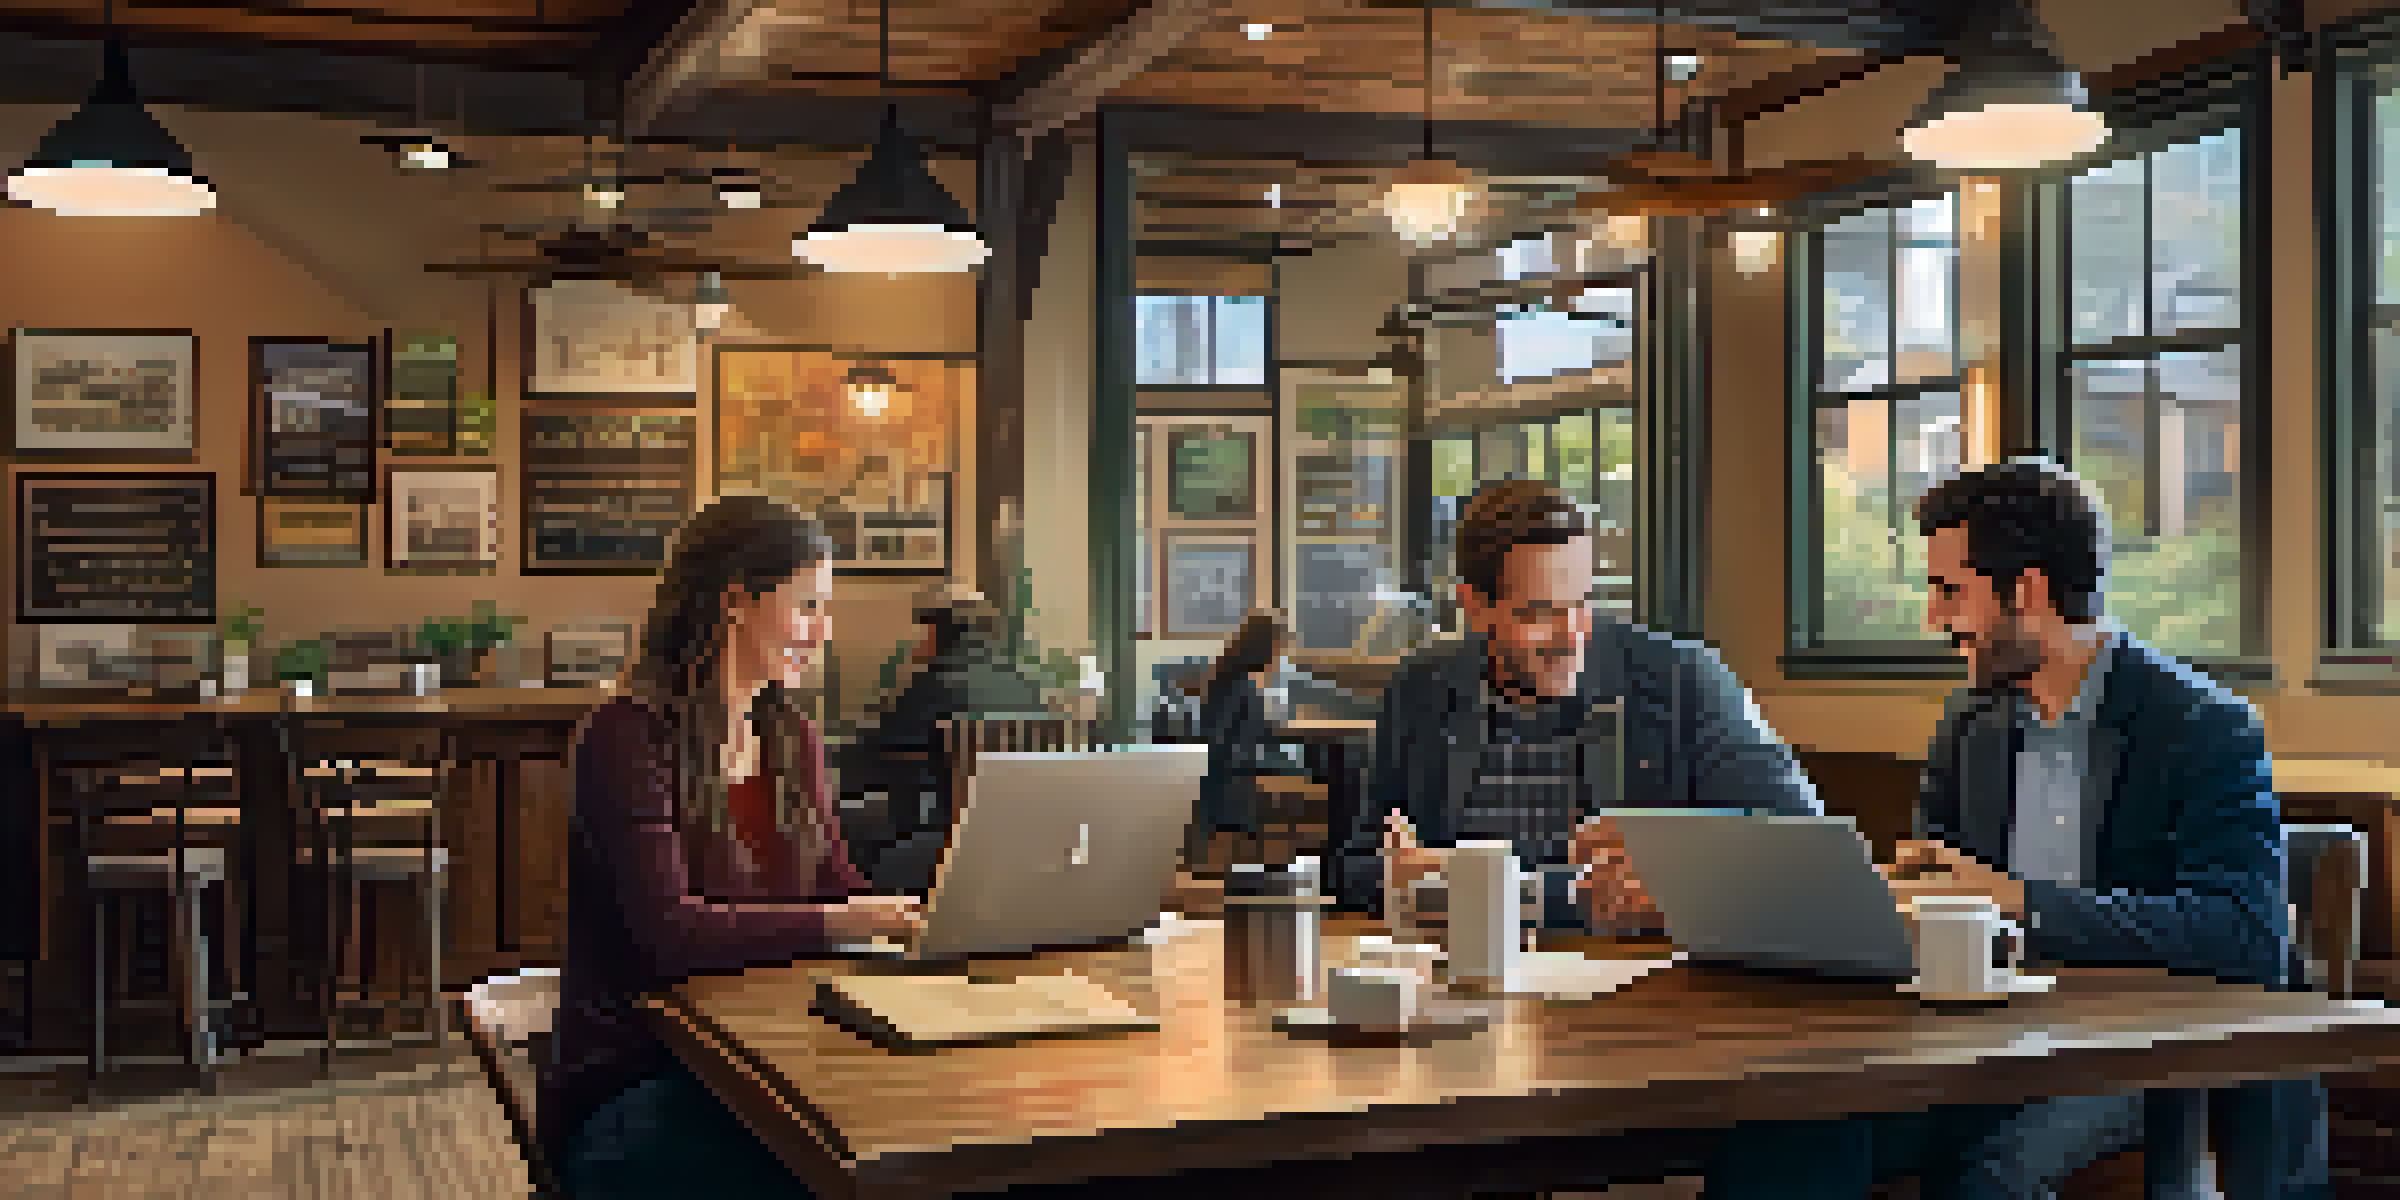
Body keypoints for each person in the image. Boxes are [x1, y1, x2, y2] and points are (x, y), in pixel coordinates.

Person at [1705, 458, 2325, 1200]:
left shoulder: (2203, 726)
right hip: (1978, 1048)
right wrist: (1881, 904)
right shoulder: (1970, 727)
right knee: (1785, 1123)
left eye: (1949, 592)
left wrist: (2014, 899)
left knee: (1993, 1174)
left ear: (2025, 591)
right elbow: (1939, 901)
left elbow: (2246, 936)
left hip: (2137, 1059)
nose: (1934, 619)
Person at [541, 497, 924, 1200]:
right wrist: (851, 921)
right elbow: (671, 935)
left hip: (765, 1060)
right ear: (737, 601)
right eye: (806, 605)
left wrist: (916, 915)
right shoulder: (625, 739)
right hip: (635, 1084)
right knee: (839, 1176)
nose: (821, 631)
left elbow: (836, 885)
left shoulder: (792, 740)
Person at [1333, 477, 1819, 930]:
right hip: (1465, 984)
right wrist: (1404, 877)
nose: (1569, 637)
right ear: (1474, 606)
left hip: (1644, 997)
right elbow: (1355, 866)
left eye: (1582, 603)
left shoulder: (1680, 677)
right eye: (1539, 613)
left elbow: (1806, 845)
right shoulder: (1422, 688)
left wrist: (1476, 886)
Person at [844, 586, 1049, 891]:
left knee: (848, 828)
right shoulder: (1027, 688)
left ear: (938, 632)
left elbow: (869, 767)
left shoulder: (929, 687)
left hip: (946, 841)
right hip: (1024, 844)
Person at [1189, 610, 1311, 868]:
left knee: (1309, 769)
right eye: (1280, 650)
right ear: (1267, 648)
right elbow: (1222, 748)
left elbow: (1254, 737)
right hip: (1230, 783)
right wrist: (1282, 758)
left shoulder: (1236, 682)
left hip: (1233, 776)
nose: (1281, 658)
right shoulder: (1238, 686)